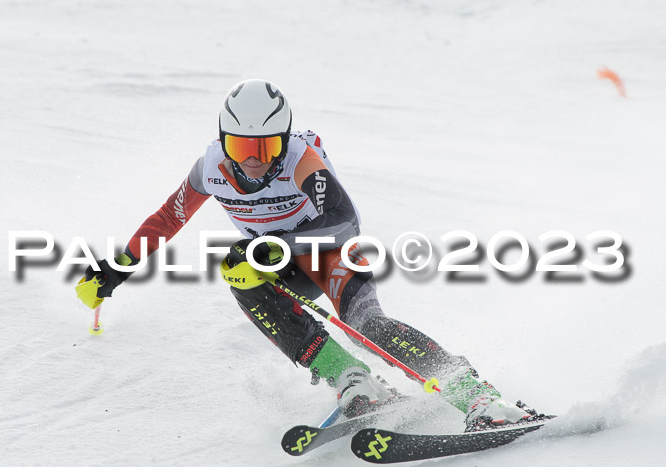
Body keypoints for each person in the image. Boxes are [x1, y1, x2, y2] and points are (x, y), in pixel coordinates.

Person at [82, 79, 543, 431]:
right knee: (237, 266)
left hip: (332, 256)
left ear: (284, 138)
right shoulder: (209, 170)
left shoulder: (302, 159)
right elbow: (168, 219)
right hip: (281, 265)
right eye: (243, 147)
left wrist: (276, 244)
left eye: (267, 146)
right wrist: (117, 269)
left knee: (367, 327)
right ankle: (349, 379)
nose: (255, 160)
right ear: (225, 141)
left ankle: (479, 396)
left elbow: (345, 223)